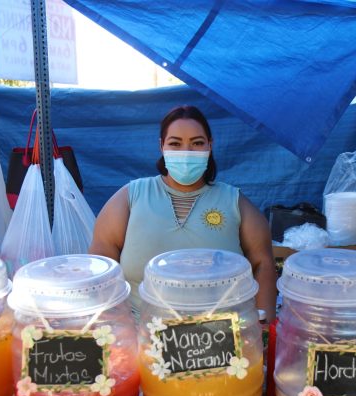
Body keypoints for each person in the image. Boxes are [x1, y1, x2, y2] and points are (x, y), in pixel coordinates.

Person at [89, 105, 276, 321]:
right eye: (175, 144)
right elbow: (102, 267)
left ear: (210, 146)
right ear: (162, 146)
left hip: (221, 340)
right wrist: (113, 330)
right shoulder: (130, 197)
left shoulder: (235, 202)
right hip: (141, 338)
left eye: (197, 143)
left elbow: (263, 264)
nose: (186, 152)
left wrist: (262, 328)